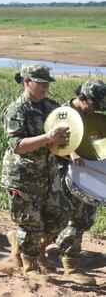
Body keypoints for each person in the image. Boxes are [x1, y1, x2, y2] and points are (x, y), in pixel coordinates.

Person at [0, 64, 70, 281]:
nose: (44, 87)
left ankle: (26, 246)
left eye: (47, 83)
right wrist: (48, 137)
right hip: (23, 175)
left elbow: (68, 130)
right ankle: (30, 267)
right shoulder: (16, 109)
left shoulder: (52, 107)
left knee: (61, 216)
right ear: (26, 82)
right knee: (31, 222)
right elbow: (18, 145)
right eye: (39, 83)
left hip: (48, 173)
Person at [51, 79, 106, 284]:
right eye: (92, 105)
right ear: (81, 98)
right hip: (64, 175)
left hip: (89, 175)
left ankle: (24, 243)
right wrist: (71, 152)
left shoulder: (98, 118)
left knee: (80, 221)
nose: (94, 110)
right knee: (76, 221)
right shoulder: (63, 114)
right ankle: (70, 268)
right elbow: (54, 140)